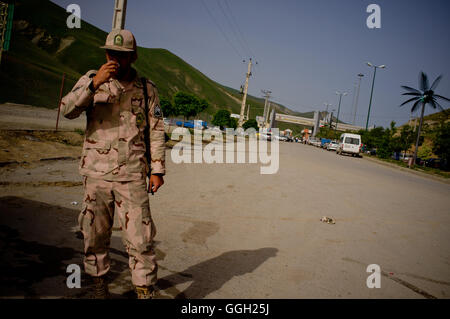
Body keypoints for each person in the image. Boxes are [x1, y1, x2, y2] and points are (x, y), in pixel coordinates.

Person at [61, 29, 166, 299]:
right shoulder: (90, 80)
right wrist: (94, 84)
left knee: (140, 238)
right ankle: (98, 286)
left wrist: (157, 170)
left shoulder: (146, 88)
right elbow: (67, 110)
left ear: (133, 56)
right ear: (105, 54)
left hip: (132, 174)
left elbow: (155, 130)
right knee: (94, 234)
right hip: (96, 173)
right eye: (111, 54)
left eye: (122, 55)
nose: (116, 60)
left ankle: (144, 290)